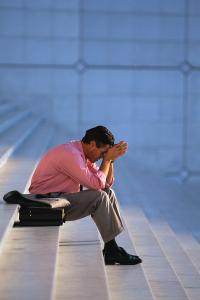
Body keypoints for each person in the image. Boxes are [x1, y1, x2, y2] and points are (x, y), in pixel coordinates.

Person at [29, 125, 142, 265]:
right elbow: (96, 184)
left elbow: (105, 184)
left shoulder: (83, 153)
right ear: (93, 144)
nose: (102, 157)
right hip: (47, 203)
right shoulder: (71, 154)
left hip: (59, 198)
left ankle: (111, 248)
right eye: (102, 153)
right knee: (99, 197)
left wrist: (110, 160)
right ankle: (112, 250)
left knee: (108, 193)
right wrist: (106, 160)